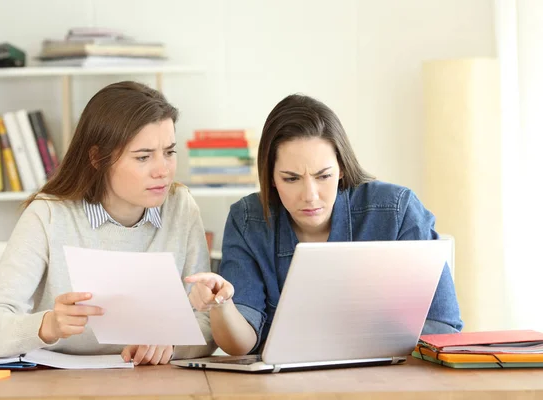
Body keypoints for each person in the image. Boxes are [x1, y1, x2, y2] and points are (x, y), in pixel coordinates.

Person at [186, 94, 463, 356]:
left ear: (341, 168)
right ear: (270, 177)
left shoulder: (396, 210)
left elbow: (443, 329)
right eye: (291, 179)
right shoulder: (248, 220)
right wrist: (220, 304)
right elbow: (240, 345)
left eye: (323, 176)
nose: (310, 195)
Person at [0, 81, 216, 364]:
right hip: (59, 383)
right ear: (97, 158)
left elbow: (208, 320)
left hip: (153, 380)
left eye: (169, 152)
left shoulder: (181, 206)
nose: (163, 171)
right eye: (143, 157)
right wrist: (47, 325)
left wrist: (173, 344)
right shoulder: (49, 214)